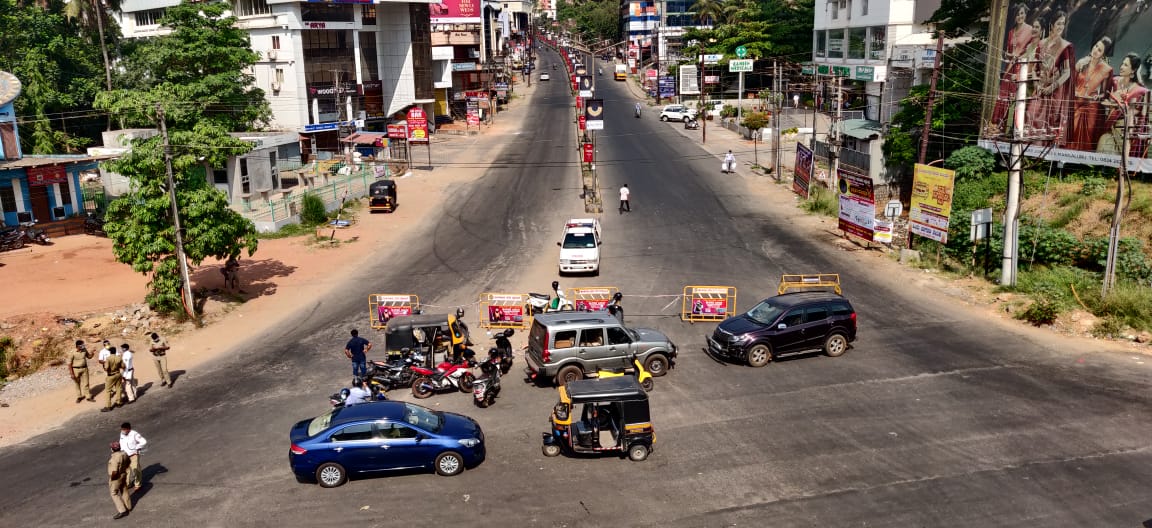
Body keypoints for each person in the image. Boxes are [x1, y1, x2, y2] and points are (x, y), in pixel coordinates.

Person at [1026, 10, 1075, 144]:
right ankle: (1029, 154)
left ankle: (1042, 159)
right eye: (1058, 23)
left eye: (1063, 24)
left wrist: (1051, 88)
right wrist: (1036, 84)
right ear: (1052, 25)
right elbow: (1035, 69)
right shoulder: (1041, 44)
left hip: (1054, 93)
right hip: (1039, 90)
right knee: (1030, 115)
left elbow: (1067, 72)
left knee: (1049, 124)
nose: (1060, 27)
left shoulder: (1065, 47)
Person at [990, 5, 1040, 134]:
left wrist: (1021, 58)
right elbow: (1007, 51)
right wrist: (1009, 55)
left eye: (1022, 13)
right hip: (1010, 66)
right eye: (1018, 14)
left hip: (1022, 68)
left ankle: (1012, 129)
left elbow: (1034, 48)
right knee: (1004, 97)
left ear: (1026, 14)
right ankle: (999, 127)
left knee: (1016, 98)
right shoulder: (1011, 32)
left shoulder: (1030, 30)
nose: (1020, 16)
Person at [1097, 52, 1149, 154]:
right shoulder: (1114, 82)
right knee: (1103, 142)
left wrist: (1116, 106)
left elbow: (1137, 113)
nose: (1121, 67)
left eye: (1125, 65)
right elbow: (1105, 97)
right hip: (1110, 126)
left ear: (1133, 70)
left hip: (1125, 129)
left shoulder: (1139, 91)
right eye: (1122, 64)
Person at [1069, 36, 1115, 150]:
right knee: (1071, 131)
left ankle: (1082, 163)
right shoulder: (1082, 62)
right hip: (1076, 102)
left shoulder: (1106, 69)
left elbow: (1105, 94)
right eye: (1096, 46)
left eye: (1099, 50)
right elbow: (1070, 83)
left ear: (1103, 54)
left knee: (1088, 135)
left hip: (1091, 106)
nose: (1095, 50)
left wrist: (1096, 97)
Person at [107, 441, 132, 519]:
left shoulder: (115, 457)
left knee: (114, 493)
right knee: (124, 490)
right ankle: (129, 506)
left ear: (112, 449)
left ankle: (122, 511)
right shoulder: (124, 454)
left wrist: (112, 478)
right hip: (123, 474)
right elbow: (129, 462)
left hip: (116, 477)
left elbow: (114, 471)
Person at [119, 422, 147, 490]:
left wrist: (137, 447)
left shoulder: (134, 434)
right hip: (125, 455)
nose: (122, 431)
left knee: (136, 469)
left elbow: (143, 441)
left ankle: (138, 484)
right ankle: (127, 484)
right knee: (126, 470)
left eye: (124, 429)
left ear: (128, 429)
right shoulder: (122, 434)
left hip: (133, 455)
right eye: (122, 429)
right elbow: (121, 443)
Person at [101, 346, 125, 412]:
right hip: (118, 374)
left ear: (110, 352)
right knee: (118, 388)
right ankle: (119, 402)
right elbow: (123, 366)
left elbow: (106, 368)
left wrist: (105, 367)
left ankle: (108, 406)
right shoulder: (119, 358)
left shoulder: (108, 358)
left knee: (108, 391)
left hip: (111, 375)